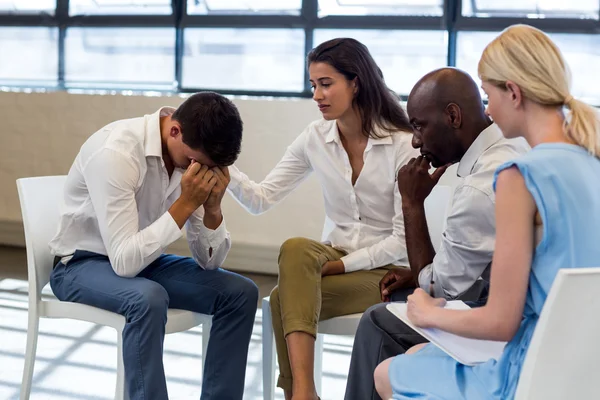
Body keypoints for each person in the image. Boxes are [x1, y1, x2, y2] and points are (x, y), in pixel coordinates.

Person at [374, 24, 600, 400]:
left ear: (512, 92)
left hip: (527, 371)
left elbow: (501, 321)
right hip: (583, 368)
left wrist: (427, 312)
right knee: (416, 355)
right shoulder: (592, 162)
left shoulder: (518, 176)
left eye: (486, 94)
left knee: (386, 373)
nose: (487, 109)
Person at [226, 38, 417, 400]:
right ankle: (305, 391)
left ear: (356, 82)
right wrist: (219, 162)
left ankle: (297, 394)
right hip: (336, 254)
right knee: (296, 249)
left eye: (326, 83)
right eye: (313, 85)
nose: (317, 94)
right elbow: (262, 198)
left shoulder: (402, 143)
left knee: (283, 299)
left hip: (389, 272)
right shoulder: (315, 138)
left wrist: (339, 267)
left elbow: (401, 239)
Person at [48, 92, 259, 400]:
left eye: (208, 167)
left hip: (144, 261)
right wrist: (186, 204)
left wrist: (212, 210)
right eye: (194, 161)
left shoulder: (193, 155)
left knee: (240, 293)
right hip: (79, 265)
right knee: (147, 298)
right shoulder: (116, 153)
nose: (198, 171)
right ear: (174, 130)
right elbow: (123, 261)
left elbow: (209, 263)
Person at [344, 67, 530, 400]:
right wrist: (422, 270)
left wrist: (412, 204)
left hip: (508, 328)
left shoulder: (478, 188)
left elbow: (437, 286)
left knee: (379, 320)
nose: (415, 140)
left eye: (419, 125)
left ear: (453, 115)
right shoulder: (513, 149)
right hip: (531, 316)